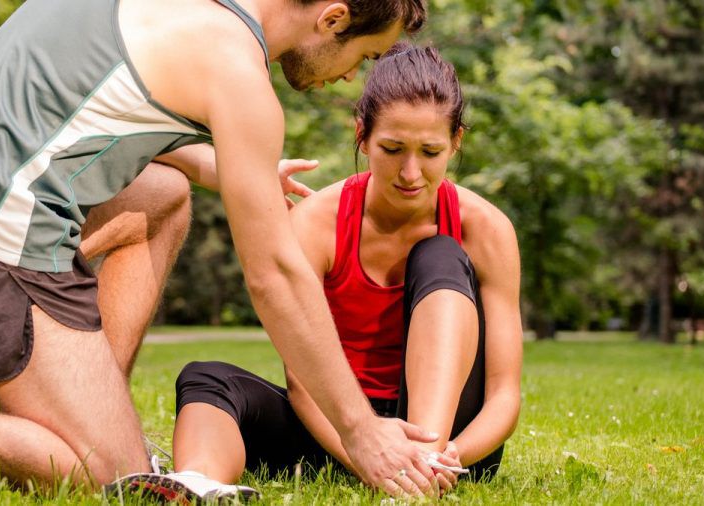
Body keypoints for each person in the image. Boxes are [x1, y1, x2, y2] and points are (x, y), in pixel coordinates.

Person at [0, 0, 439, 498]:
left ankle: (88, 408)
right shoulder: (236, 69)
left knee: (164, 196)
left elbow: (83, 98)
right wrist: (360, 430)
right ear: (333, 17)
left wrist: (220, 167)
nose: (348, 79)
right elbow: (274, 277)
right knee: (105, 475)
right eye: (363, 57)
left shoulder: (194, 12)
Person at [169, 41, 523, 498]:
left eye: (430, 152)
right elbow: (301, 384)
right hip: (341, 429)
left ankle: (420, 465)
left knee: (439, 253)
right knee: (206, 377)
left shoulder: (486, 229)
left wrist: (442, 456)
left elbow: (503, 395)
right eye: (392, 149)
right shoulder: (316, 224)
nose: (411, 172)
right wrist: (364, 454)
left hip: (448, 437)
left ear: (456, 142)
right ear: (362, 135)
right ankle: (196, 485)